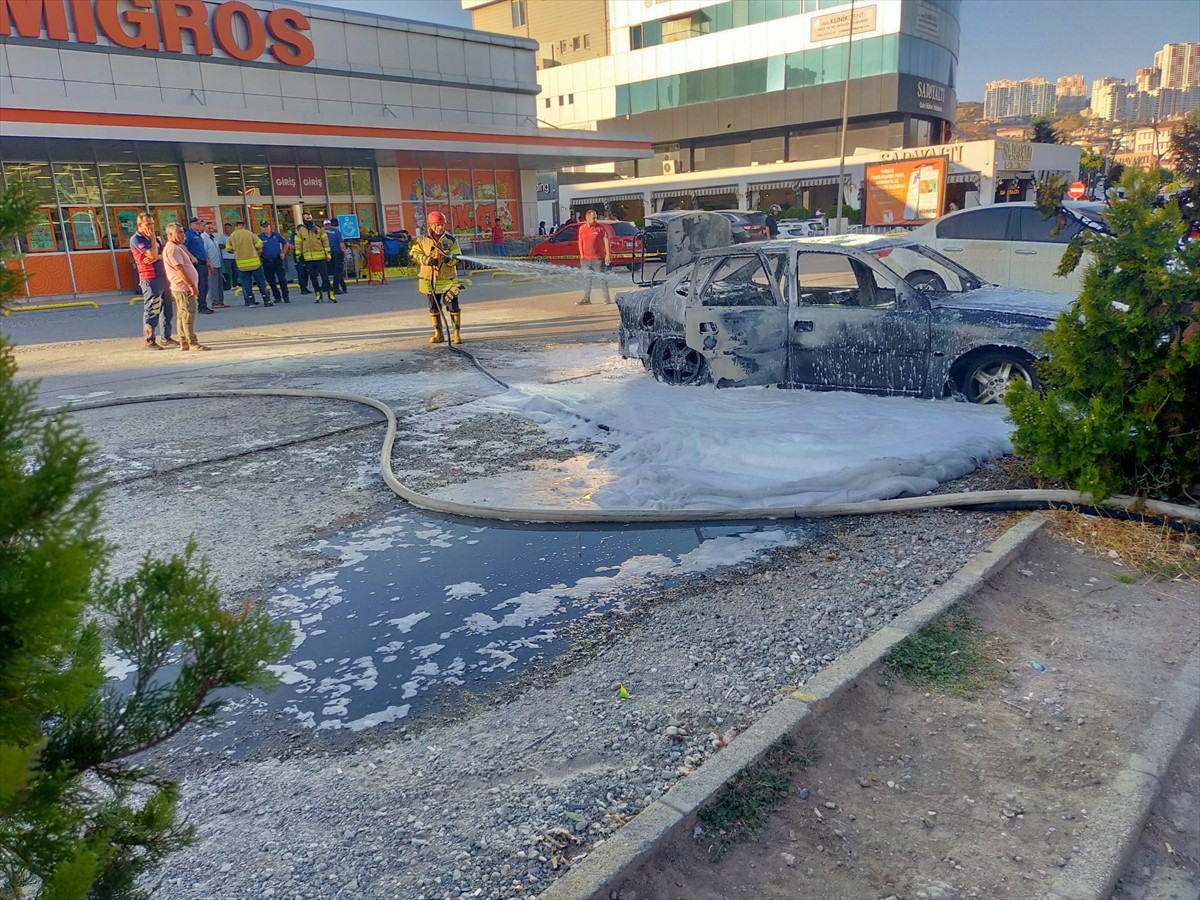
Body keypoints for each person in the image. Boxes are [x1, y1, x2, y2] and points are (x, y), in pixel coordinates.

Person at [409, 210, 462, 344]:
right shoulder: (422, 240)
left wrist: (449, 260)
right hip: (429, 280)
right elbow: (413, 254)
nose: (440, 228)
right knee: (433, 307)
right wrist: (427, 260)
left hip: (448, 280)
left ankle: (456, 333)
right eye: (437, 225)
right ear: (430, 225)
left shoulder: (451, 240)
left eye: (442, 225)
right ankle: (438, 333)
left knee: (453, 306)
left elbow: (457, 256)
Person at [162, 222, 209, 351]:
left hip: (182, 287)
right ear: (170, 234)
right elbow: (179, 269)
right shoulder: (172, 249)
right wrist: (191, 285)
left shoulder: (176, 247)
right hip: (183, 288)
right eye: (180, 233)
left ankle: (184, 341)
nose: (183, 235)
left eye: (183, 232)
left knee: (183, 315)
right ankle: (192, 342)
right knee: (188, 315)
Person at [130, 212, 174, 350]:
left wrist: (158, 256)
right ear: (139, 225)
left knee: (167, 309)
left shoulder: (156, 239)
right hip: (150, 278)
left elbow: (163, 254)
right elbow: (152, 254)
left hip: (163, 275)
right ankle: (150, 339)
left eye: (152, 224)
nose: (151, 227)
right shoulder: (137, 239)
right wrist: (154, 244)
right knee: (152, 309)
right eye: (148, 224)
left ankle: (166, 337)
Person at [226, 220, 272, 307]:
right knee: (261, 282)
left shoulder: (232, 236)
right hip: (254, 263)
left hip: (241, 264)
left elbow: (228, 248)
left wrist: (236, 252)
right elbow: (259, 244)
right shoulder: (249, 233)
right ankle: (267, 300)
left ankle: (250, 301)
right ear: (244, 225)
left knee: (246, 283)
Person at [294, 212, 333, 302]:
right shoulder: (301, 231)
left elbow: (325, 241)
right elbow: (298, 243)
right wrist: (298, 254)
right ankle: (318, 295)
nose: (309, 220)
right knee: (313, 278)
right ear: (303, 220)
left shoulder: (319, 229)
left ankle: (330, 294)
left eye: (309, 218)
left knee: (325, 277)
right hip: (308, 259)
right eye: (306, 219)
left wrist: (328, 253)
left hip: (320, 257)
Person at [576, 208, 611, 305]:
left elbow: (606, 240)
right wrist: (582, 255)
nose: (595, 220)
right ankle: (587, 299)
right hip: (585, 260)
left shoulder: (600, 228)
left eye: (596, 218)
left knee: (602, 278)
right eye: (593, 218)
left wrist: (607, 254)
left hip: (598, 259)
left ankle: (606, 298)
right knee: (587, 279)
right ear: (587, 218)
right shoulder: (582, 229)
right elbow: (580, 242)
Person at [258, 219, 291, 304]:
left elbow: (285, 244)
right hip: (266, 261)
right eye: (264, 227)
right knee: (271, 281)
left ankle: (286, 296)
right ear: (261, 228)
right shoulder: (260, 237)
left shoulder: (276, 235)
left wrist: (283, 253)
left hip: (277, 260)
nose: (266, 228)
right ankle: (277, 297)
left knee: (282, 279)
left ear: (270, 226)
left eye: (267, 226)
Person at [184, 217, 213, 314]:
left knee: (205, 285)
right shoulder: (189, 235)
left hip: (203, 262)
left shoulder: (199, 235)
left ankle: (203, 304)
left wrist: (207, 261)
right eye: (198, 224)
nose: (200, 226)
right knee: (200, 285)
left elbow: (201, 250)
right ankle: (201, 306)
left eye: (201, 224)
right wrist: (191, 257)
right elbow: (183, 247)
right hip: (196, 264)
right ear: (192, 224)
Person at [201, 220, 226, 309]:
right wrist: (209, 264)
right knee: (213, 284)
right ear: (204, 228)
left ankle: (220, 301)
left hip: (218, 264)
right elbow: (204, 252)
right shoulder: (204, 238)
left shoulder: (212, 237)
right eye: (208, 227)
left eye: (212, 227)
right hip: (211, 265)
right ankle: (215, 302)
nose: (210, 228)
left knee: (219, 284)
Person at [323, 219, 348, 296]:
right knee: (338, 271)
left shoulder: (323, 233)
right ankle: (336, 288)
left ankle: (326, 286)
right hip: (337, 253)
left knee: (327, 271)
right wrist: (345, 254)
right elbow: (341, 245)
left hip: (327, 254)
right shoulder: (337, 233)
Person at [219, 221, 236, 290]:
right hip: (227, 257)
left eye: (228, 228)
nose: (226, 229)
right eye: (225, 228)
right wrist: (227, 245)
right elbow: (220, 246)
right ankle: (230, 285)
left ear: (231, 229)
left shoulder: (234, 236)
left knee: (236, 272)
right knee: (229, 272)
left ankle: (235, 284)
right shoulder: (222, 237)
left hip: (235, 256)